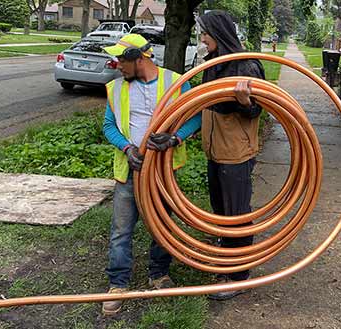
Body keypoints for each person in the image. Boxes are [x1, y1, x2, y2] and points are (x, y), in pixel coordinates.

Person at [101, 33, 201, 317]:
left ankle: (158, 275)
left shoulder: (176, 82)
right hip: (130, 170)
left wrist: (175, 138)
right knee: (121, 230)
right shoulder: (116, 88)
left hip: (162, 172)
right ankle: (117, 284)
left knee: (162, 226)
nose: (118, 65)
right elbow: (109, 126)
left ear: (138, 58)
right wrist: (127, 147)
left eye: (121, 59)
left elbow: (196, 116)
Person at [197, 10, 266, 301]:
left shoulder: (245, 66)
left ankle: (238, 276)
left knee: (236, 215)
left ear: (218, 33)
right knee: (221, 211)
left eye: (205, 33)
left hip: (236, 152)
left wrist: (245, 101)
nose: (201, 38)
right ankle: (226, 256)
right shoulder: (213, 65)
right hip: (215, 150)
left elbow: (258, 110)